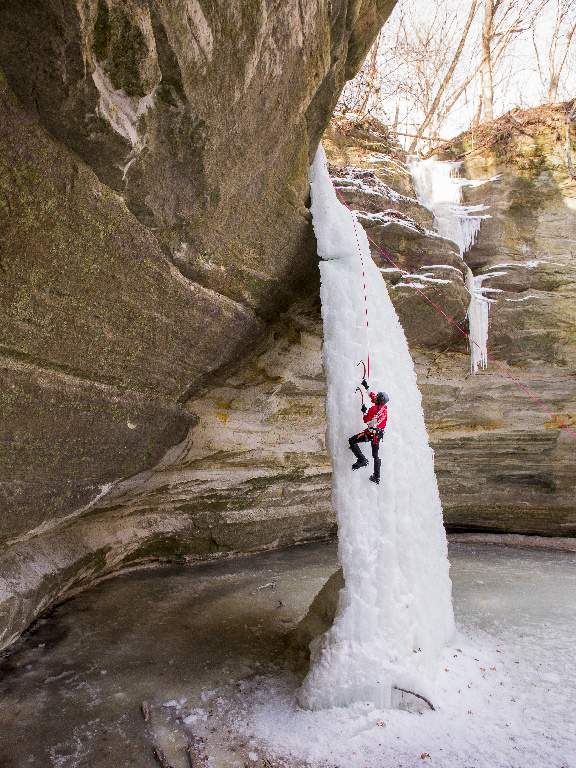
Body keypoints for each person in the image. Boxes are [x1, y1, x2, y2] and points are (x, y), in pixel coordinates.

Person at [348, 380, 389, 484]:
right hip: (378, 435)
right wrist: (367, 388)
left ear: (379, 400)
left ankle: (362, 460)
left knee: (352, 440)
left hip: (370, 434)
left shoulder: (373, 409)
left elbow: (366, 420)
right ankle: (377, 476)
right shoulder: (384, 408)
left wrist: (364, 411)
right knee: (375, 455)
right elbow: (374, 398)